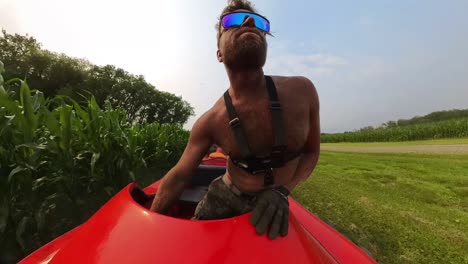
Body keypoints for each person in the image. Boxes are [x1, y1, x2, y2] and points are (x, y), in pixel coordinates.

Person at [150, 0, 320, 240]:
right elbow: (179, 176)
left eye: (258, 23)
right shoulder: (210, 121)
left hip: (277, 199)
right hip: (225, 192)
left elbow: (311, 153)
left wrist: (283, 192)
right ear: (219, 53)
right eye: (232, 21)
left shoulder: (303, 92)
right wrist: (149, 225)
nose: (250, 22)